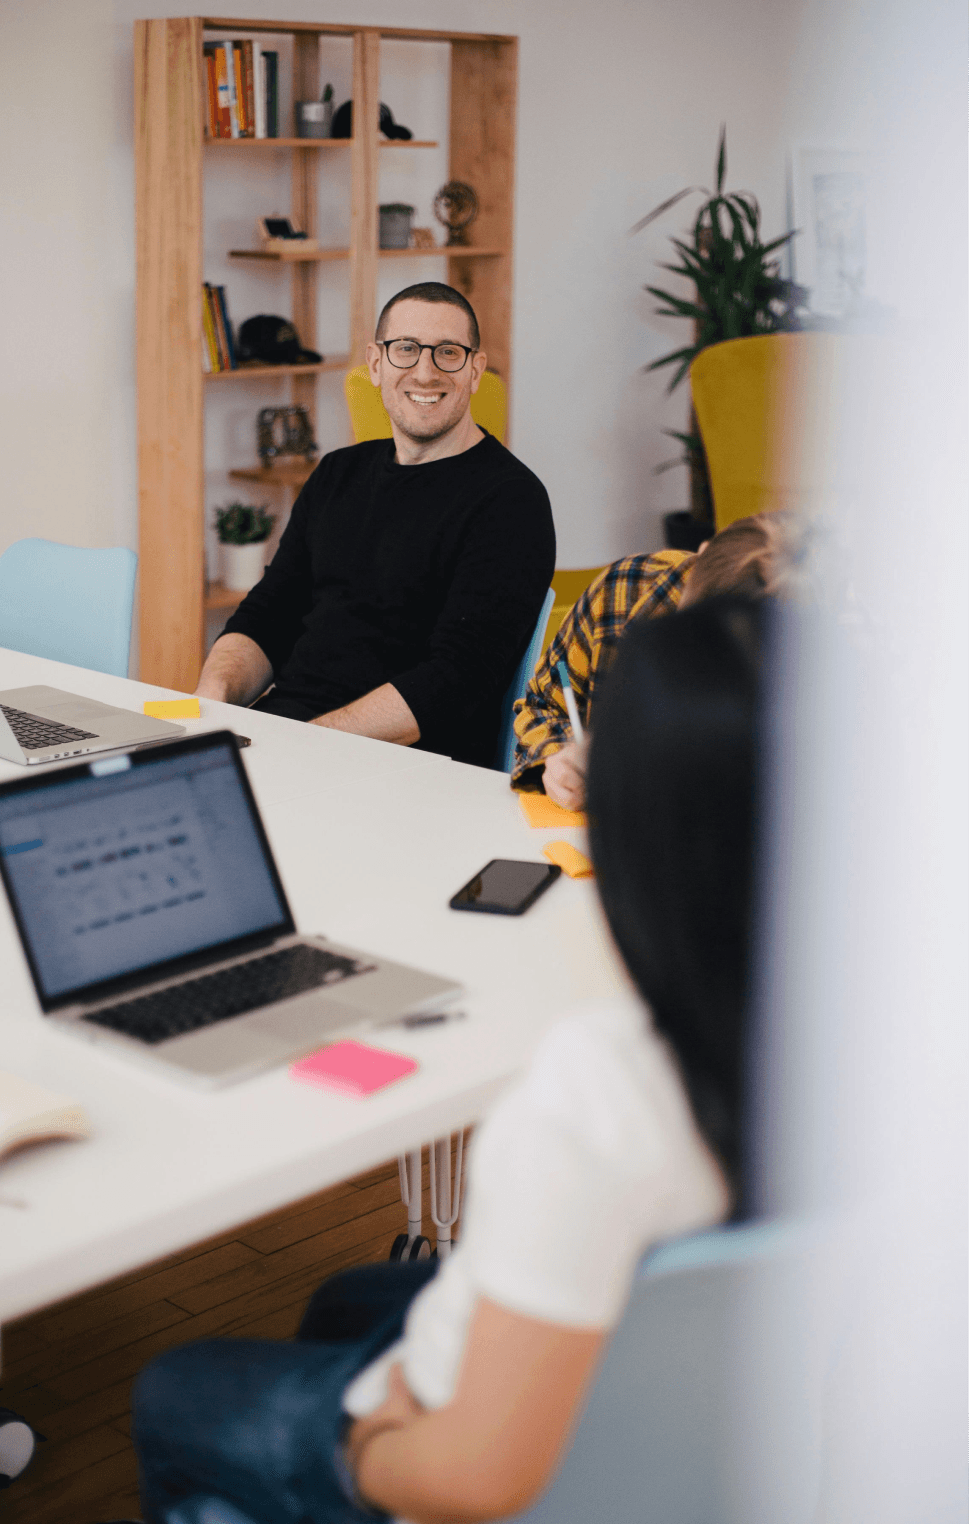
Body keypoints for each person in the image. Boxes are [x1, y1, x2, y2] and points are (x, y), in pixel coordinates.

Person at [128, 596, 765, 1524]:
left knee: (174, 1384)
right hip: (699, 1404)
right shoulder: (871, 1044)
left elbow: (477, 1477)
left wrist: (367, 1445)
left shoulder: (603, 1086)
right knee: (346, 1299)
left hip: (462, 1440)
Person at [196, 283, 556, 768]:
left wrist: (302, 740)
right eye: (405, 349)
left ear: (474, 370)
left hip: (406, 768)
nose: (424, 372)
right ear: (376, 364)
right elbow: (269, 615)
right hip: (290, 742)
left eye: (447, 353)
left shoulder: (511, 501)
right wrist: (210, 703)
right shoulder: (336, 474)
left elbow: (455, 679)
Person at [515, 510, 797, 809]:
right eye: (689, 624)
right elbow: (543, 705)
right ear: (701, 554)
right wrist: (559, 758)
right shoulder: (625, 590)